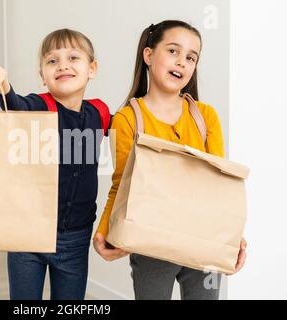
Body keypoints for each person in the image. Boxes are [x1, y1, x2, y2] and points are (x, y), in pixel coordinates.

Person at [93, 20, 247, 300]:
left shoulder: (206, 116)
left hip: (203, 243)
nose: (182, 62)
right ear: (149, 55)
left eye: (191, 57)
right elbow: (121, 184)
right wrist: (103, 230)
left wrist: (233, 240)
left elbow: (220, 187)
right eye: (173, 51)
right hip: (151, 246)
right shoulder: (127, 118)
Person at [0, 28, 111, 300]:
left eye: (73, 58)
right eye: (52, 61)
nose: (63, 65)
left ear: (91, 69)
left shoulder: (99, 112)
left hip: (76, 237)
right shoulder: (39, 106)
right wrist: (2, 84)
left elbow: (127, 129)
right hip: (27, 236)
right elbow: (16, 105)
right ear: (42, 76)